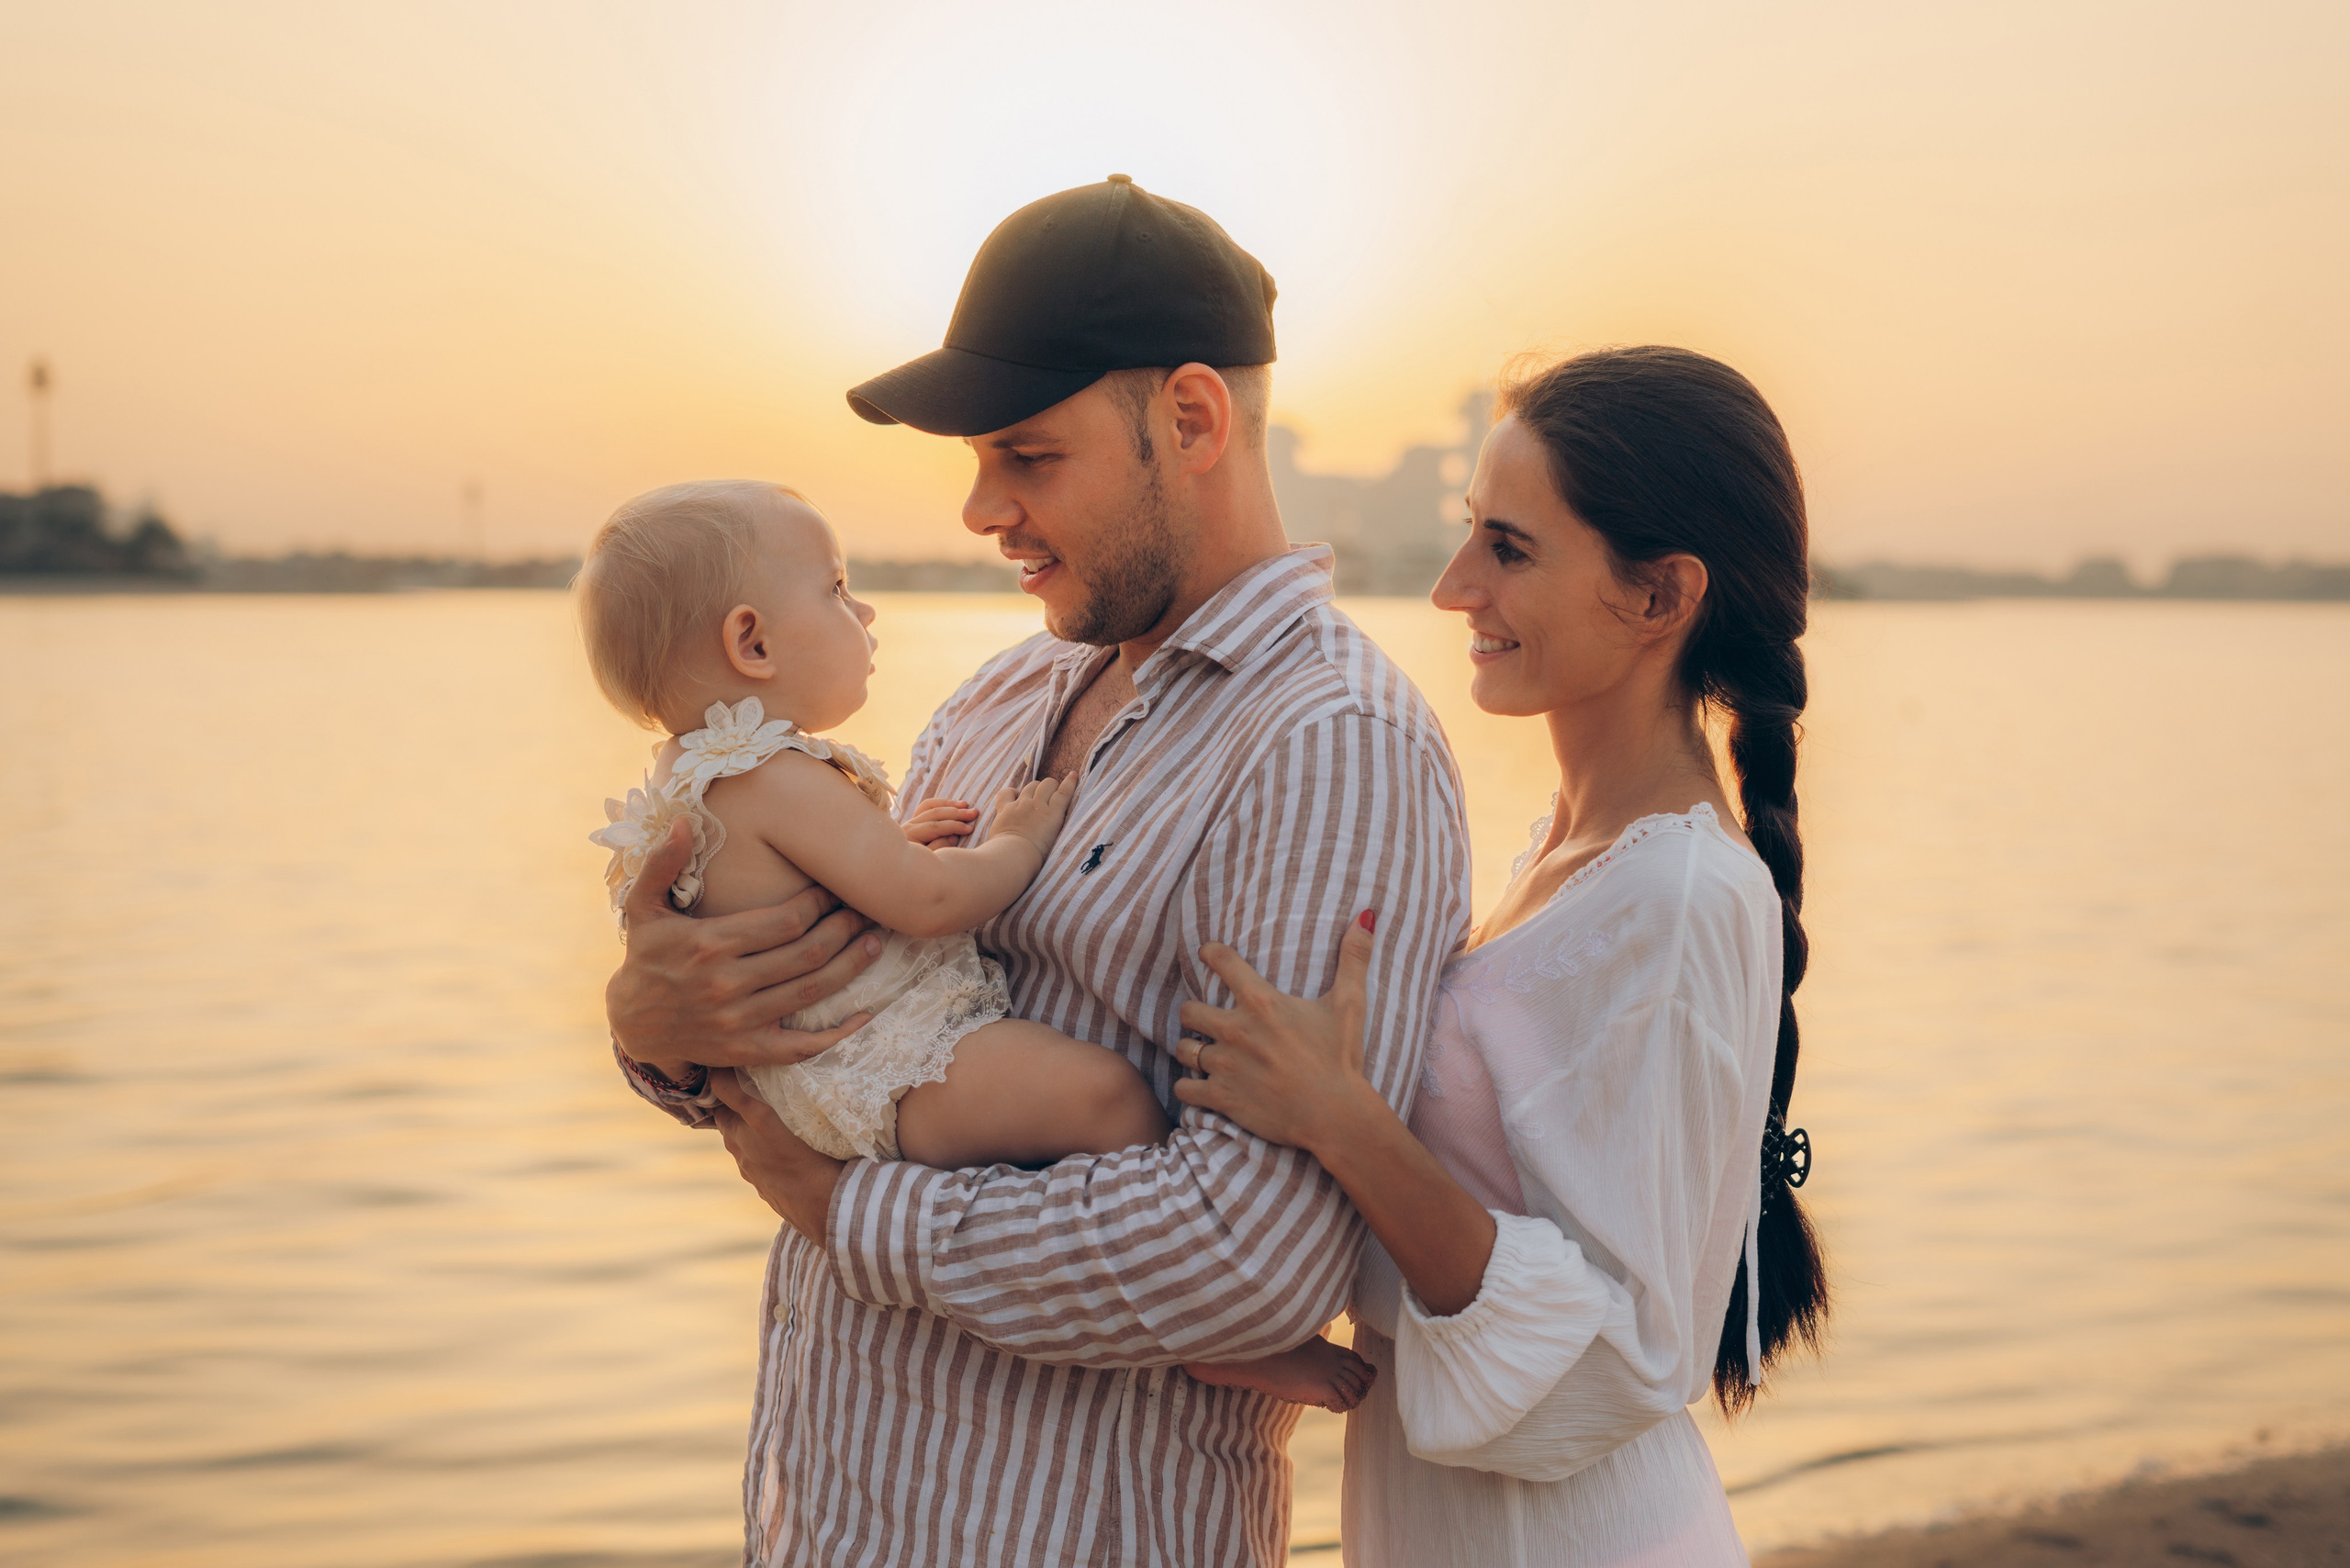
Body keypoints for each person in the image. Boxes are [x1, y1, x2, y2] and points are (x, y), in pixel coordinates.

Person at [603, 176, 1472, 1565]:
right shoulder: (1004, 697)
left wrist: (845, 1216)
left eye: (1028, 455)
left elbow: (1249, 1253)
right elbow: (845, 1053)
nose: (978, 509)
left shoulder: (1329, 743)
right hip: (836, 1515)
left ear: (1190, 420)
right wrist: (657, 1033)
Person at [1170, 346, 1831, 1566]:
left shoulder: (1680, 894)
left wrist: (1343, 1118)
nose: (1452, 586)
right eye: (1471, 531)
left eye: (1510, 550)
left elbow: (1629, 1359)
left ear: (1658, 598)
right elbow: (1489, 1221)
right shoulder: (1568, 854)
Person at [576, 477, 1371, 1410]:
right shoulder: (807, 766)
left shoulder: (700, 775)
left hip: (833, 1086)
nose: (864, 609)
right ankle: (1221, 1344)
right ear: (751, 642)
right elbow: (932, 902)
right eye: (836, 590)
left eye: (1033, 457)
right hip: (887, 1063)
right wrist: (1017, 841)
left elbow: (817, 896)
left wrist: (840, 1205)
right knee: (1103, 1094)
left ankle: (1206, 1318)